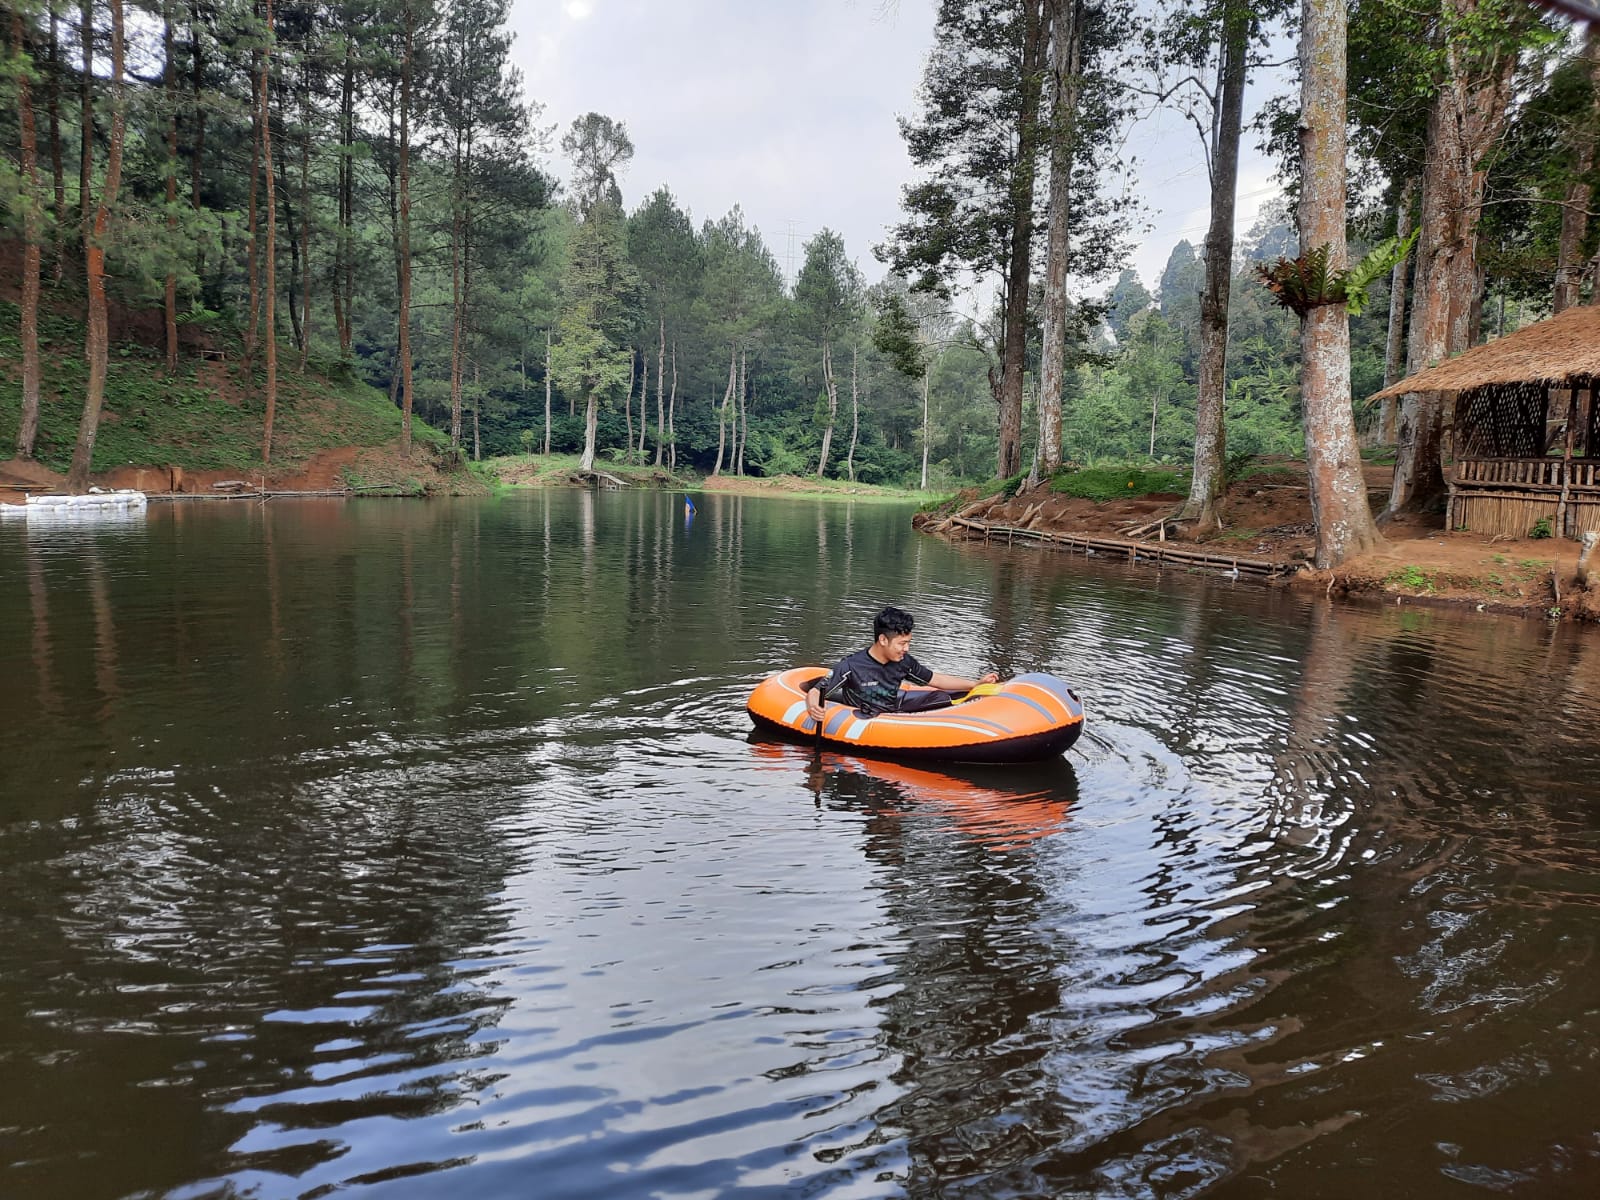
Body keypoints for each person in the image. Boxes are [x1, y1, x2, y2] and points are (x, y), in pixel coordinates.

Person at [806, 606, 999, 721]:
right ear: (883, 640)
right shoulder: (850, 666)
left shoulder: (903, 662)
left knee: (941, 697)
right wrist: (814, 707)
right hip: (864, 718)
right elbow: (817, 691)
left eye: (908, 643)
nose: (906, 648)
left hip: (893, 712)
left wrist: (975, 684)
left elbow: (935, 679)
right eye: (902, 643)